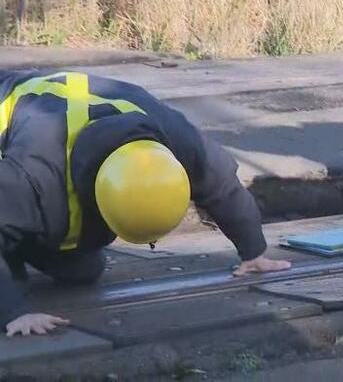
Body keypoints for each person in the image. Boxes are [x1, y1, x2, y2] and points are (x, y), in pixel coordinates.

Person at [1, 71, 291, 337]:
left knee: (84, 269)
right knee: (36, 232)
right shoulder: (33, 177)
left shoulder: (178, 140)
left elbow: (222, 184)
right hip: (22, 109)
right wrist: (15, 313)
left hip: (62, 108)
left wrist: (253, 250)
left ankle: (19, 242)